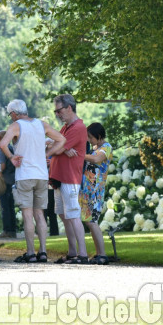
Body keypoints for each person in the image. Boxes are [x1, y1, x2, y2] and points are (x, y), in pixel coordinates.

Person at [0, 99, 66, 263]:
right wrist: (47, 154)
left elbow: (2, 143)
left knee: (28, 215)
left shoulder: (16, 126)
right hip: (42, 175)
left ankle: (30, 253)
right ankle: (43, 252)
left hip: (25, 175)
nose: (10, 117)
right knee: (40, 215)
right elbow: (62, 140)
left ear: (14, 113)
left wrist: (12, 157)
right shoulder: (41, 124)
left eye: (10, 114)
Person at [49, 94, 89, 264]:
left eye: (59, 110)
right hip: (60, 177)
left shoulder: (78, 127)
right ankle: (73, 252)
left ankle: (83, 254)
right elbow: (53, 143)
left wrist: (61, 148)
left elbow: (55, 148)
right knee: (64, 216)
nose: (57, 114)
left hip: (70, 177)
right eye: (55, 111)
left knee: (73, 216)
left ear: (69, 108)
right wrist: (64, 149)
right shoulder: (66, 127)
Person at [80, 123, 113, 265]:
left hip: (95, 191)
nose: (89, 140)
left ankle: (103, 254)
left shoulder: (106, 148)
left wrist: (81, 155)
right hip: (87, 190)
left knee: (92, 221)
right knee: (89, 221)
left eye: (91, 137)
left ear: (99, 136)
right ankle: (99, 253)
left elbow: (97, 160)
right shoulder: (93, 149)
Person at [0, 130, 17, 238]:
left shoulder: (2, 149)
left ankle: (6, 230)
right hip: (12, 179)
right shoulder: (12, 148)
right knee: (11, 207)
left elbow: (2, 166)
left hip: (4, 180)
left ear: (0, 138)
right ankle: (13, 230)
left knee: (4, 207)